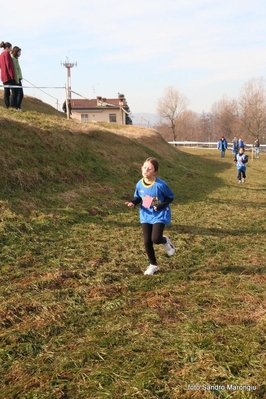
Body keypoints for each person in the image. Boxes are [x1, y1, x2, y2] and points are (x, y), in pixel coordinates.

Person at [125, 157, 175, 275]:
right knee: (147, 241)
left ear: (155, 172)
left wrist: (161, 205)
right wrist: (133, 202)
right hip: (145, 214)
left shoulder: (160, 185)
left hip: (160, 214)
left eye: (150, 168)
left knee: (156, 239)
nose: (146, 170)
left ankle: (165, 241)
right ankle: (153, 265)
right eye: (144, 167)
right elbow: (138, 197)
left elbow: (170, 197)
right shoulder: (139, 184)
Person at [0, 41, 16, 108]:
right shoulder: (6, 53)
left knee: (7, 91)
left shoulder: (1, 54)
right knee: (14, 91)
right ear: (7, 48)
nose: (11, 49)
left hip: (3, 76)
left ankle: (7, 105)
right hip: (8, 76)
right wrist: (12, 75)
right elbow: (8, 64)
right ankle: (11, 105)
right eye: (10, 48)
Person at [11, 46, 23, 111]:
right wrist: (17, 79)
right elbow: (15, 70)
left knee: (20, 94)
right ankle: (16, 107)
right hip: (16, 79)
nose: (20, 53)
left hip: (19, 78)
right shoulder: (13, 59)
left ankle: (18, 106)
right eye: (19, 52)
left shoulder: (16, 59)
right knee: (18, 94)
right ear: (16, 52)